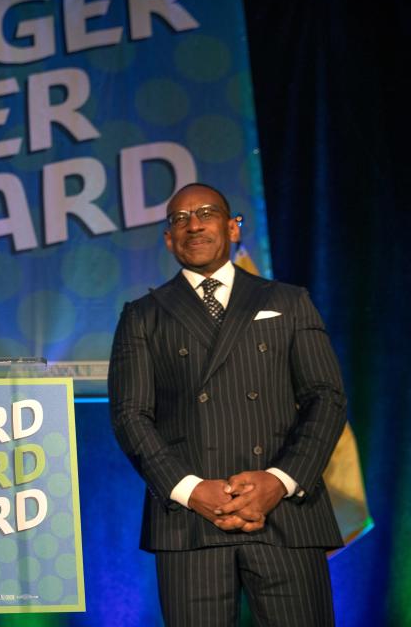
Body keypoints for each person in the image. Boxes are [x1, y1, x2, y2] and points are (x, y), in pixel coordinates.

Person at [107, 182, 347, 626]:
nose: (193, 224)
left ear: (233, 228)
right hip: (189, 522)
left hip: (285, 515)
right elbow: (129, 415)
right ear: (167, 238)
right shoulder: (142, 314)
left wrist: (279, 481)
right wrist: (191, 489)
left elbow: (326, 399)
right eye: (179, 219)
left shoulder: (288, 301)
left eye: (205, 213)